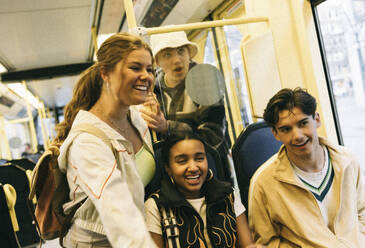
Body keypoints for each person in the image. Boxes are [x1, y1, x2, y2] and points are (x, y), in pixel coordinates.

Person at [56, 32, 156, 247]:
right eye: (135, 68)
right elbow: (118, 211)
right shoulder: (87, 142)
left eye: (150, 69)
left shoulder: (136, 119)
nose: (146, 76)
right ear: (105, 74)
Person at [248, 87, 365, 247]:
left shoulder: (347, 161)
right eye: (286, 129)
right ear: (275, 134)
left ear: (317, 119)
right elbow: (266, 242)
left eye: (303, 123)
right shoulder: (263, 182)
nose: (298, 136)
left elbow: (362, 213)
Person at [140, 31, 232, 182]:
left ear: (189, 54)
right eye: (167, 54)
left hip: (210, 168)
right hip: (174, 172)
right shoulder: (152, 89)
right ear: (157, 61)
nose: (177, 60)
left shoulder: (205, 81)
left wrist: (168, 127)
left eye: (181, 51)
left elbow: (211, 135)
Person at [145, 131, 263, 248]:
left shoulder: (228, 194)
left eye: (199, 158)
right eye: (182, 161)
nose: (193, 168)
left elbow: (247, 245)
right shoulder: (155, 206)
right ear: (168, 168)